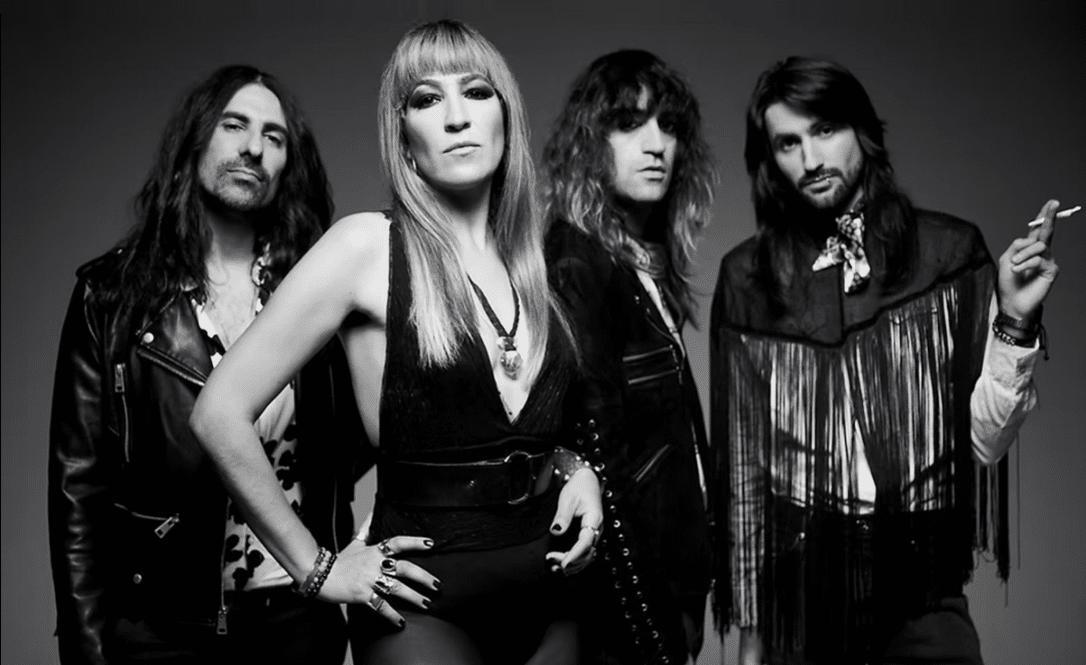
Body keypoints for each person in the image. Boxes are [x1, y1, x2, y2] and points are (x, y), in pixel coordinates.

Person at [189, 20, 604, 665]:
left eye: (477, 92)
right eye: (428, 99)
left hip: (551, 601)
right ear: (404, 137)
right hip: (424, 610)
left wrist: (577, 470)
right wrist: (318, 569)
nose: (457, 116)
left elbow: (520, 432)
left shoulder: (536, 266)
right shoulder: (367, 247)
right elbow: (218, 414)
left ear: (506, 119)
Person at [711, 56, 1058, 664]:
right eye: (788, 143)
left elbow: (984, 444)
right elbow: (746, 474)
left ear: (862, 130)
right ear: (769, 158)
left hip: (920, 586)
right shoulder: (748, 278)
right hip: (804, 590)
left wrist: (1014, 321)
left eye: (825, 130)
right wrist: (751, 636)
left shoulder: (946, 253)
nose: (810, 160)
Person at [48, 65, 366, 664]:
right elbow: (77, 493)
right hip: (160, 626)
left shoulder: (316, 292)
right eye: (234, 125)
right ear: (195, 141)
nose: (254, 147)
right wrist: (87, 648)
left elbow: (367, 436)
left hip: (297, 623)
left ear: (289, 164)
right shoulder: (113, 295)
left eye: (274, 137)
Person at [544, 50, 717, 665]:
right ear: (589, 142)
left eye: (668, 126)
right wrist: (652, 628)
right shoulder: (578, 264)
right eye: (629, 124)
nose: (656, 145)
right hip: (629, 605)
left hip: (671, 584)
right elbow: (600, 459)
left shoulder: (639, 262)